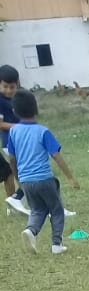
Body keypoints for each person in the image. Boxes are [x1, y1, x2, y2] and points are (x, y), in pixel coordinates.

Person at [7, 90, 79, 256]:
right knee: (56, 209)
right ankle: (56, 244)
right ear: (36, 109)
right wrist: (70, 177)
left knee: (37, 210)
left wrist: (18, 179)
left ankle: (30, 231)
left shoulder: (13, 132)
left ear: (14, 111)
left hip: (26, 181)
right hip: (44, 179)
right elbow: (56, 155)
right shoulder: (43, 131)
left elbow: (12, 158)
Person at [0, 65, 29, 214]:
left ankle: (16, 203)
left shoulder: (19, 97)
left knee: (21, 174)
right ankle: (15, 201)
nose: (9, 90)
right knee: (24, 174)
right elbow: (1, 124)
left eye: (12, 87)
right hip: (9, 143)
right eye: (5, 87)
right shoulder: (0, 101)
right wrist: (22, 126)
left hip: (22, 141)